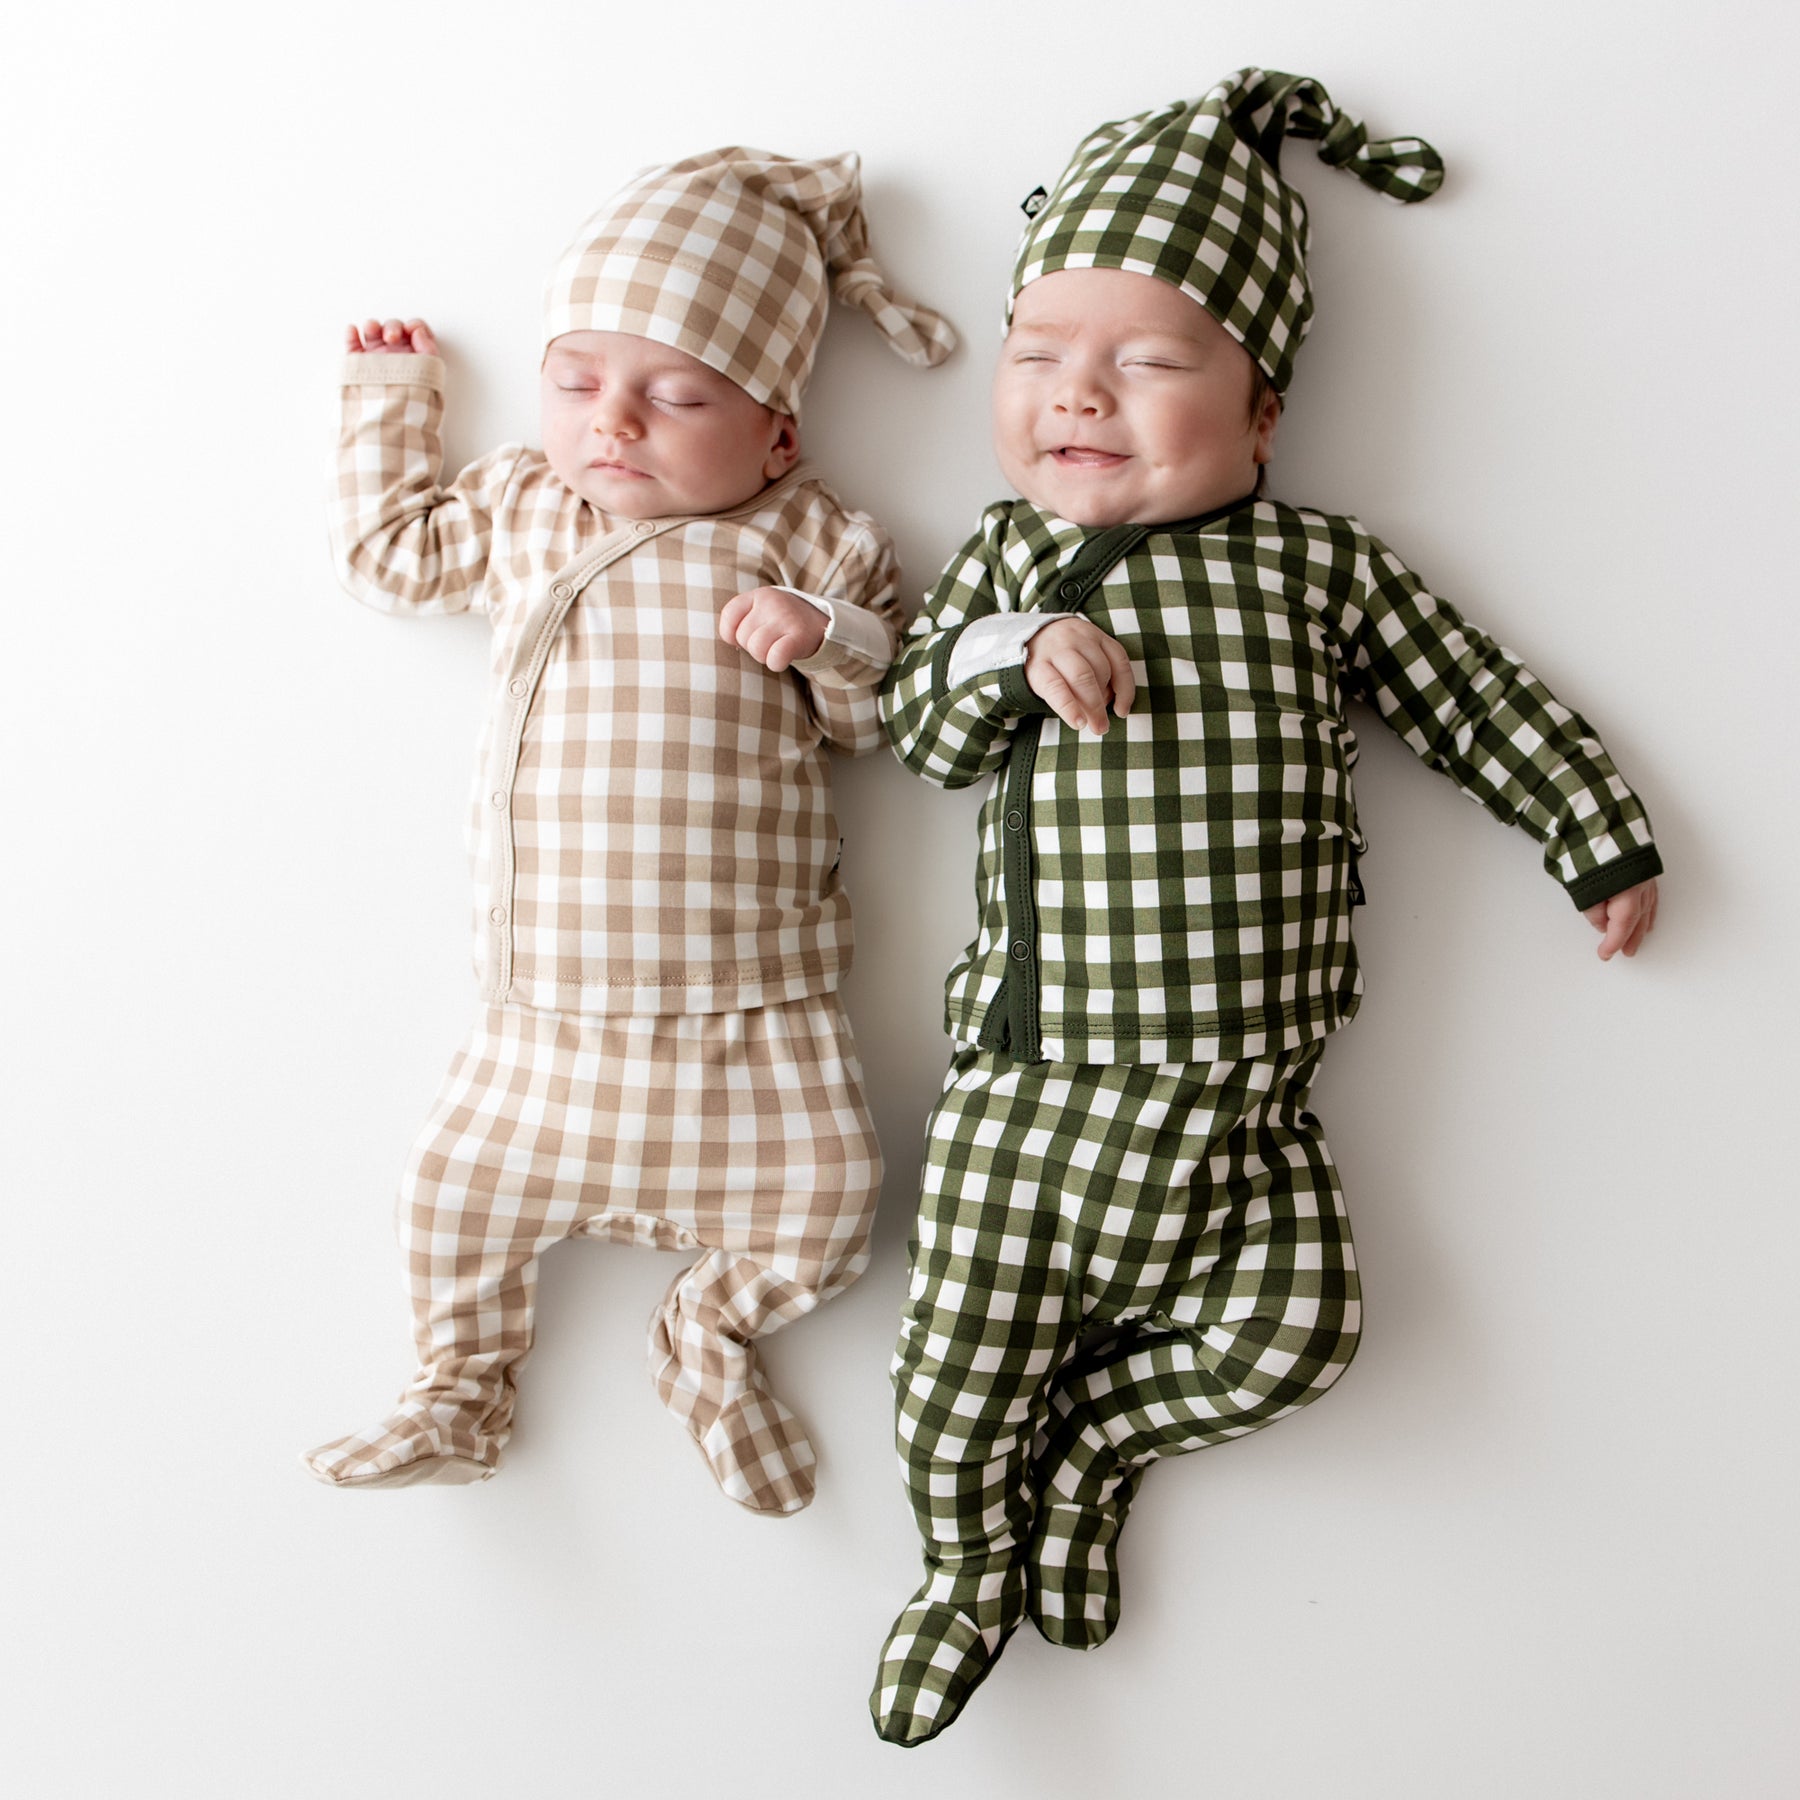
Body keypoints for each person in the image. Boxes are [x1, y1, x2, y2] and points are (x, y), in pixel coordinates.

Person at [871, 69, 1660, 1741]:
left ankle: (1092, 1456)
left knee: (1298, 1337)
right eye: (1037, 359)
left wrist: (1591, 827)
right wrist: (1017, 647)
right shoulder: (1010, 561)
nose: (1076, 396)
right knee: (951, 1390)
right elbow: (923, 731)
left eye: (1145, 362)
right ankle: (960, 1568)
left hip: (1244, 1105)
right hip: (1034, 1092)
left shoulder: (1319, 569)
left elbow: (1476, 697)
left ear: (1264, 405)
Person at [302, 148, 954, 1515]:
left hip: (751, 1008)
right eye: (579, 381)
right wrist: (391, 406)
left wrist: (826, 637)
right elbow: (392, 559)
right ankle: (460, 1390)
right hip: (546, 1011)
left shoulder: (810, 536)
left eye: (676, 395)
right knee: (450, 1192)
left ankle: (709, 1328)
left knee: (833, 1213)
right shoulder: (526, 508)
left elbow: (879, 712)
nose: (617, 423)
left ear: (777, 433)